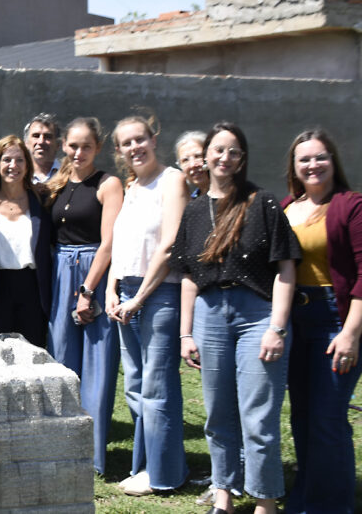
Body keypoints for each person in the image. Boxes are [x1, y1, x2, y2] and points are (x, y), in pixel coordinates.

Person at [173, 122, 299, 514]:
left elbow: (286, 269)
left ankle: (265, 500)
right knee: (217, 413)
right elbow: (189, 277)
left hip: (257, 314)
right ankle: (223, 494)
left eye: (233, 152)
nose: (224, 158)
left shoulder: (262, 203)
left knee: (257, 416)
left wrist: (277, 326)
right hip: (210, 316)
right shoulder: (194, 210)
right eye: (218, 150)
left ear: (242, 159)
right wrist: (185, 333)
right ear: (206, 154)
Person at [104, 115, 190, 496]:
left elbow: (170, 245)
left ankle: (165, 475)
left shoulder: (172, 180)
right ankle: (147, 465)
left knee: (158, 388)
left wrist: (139, 299)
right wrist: (112, 288)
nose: (135, 147)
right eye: (127, 143)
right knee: (136, 389)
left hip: (158, 293)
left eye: (141, 139)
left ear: (154, 139)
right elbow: (121, 245)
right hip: (127, 293)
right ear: (119, 151)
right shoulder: (132, 186)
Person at [280, 129, 362, 514]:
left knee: (327, 418)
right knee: (301, 415)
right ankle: (305, 500)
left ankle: (333, 506)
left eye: (320, 157)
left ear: (333, 161)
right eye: (304, 159)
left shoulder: (351, 205)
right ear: (294, 168)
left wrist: (350, 332)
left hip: (335, 318)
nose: (313, 165)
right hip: (296, 320)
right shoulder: (285, 208)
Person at [45, 117, 124, 475]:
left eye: (86, 146)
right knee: (61, 361)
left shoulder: (108, 184)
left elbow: (109, 243)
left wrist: (88, 290)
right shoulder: (56, 183)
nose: (79, 152)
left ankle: (92, 457)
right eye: (73, 146)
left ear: (98, 148)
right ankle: (62, 446)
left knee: (97, 366)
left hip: (93, 272)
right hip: (60, 271)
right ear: (64, 145)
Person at [0, 135, 53, 347]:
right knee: (0, 356)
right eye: (6, 160)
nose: (13, 165)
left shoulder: (41, 200)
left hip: (32, 289)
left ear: (28, 165)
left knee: (34, 354)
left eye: (19, 160)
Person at [24, 112, 61, 184]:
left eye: (47, 136)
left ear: (58, 144)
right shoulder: (18, 176)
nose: (41, 142)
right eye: (36, 136)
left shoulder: (69, 175)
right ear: (26, 143)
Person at [175, 130, 210, 197]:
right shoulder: (191, 202)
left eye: (198, 156)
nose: (192, 165)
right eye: (185, 160)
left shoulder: (232, 194)